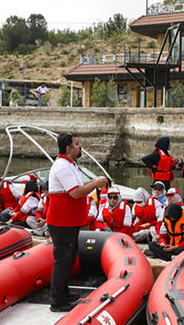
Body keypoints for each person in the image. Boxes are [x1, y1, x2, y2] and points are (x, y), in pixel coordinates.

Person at [47, 132, 108, 312]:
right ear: (68, 148)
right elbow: (75, 192)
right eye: (77, 144)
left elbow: (78, 188)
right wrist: (95, 183)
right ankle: (57, 301)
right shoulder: (62, 166)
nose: (80, 146)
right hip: (61, 222)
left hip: (70, 221)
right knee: (62, 260)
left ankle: (64, 292)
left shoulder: (70, 165)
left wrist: (92, 182)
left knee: (69, 259)